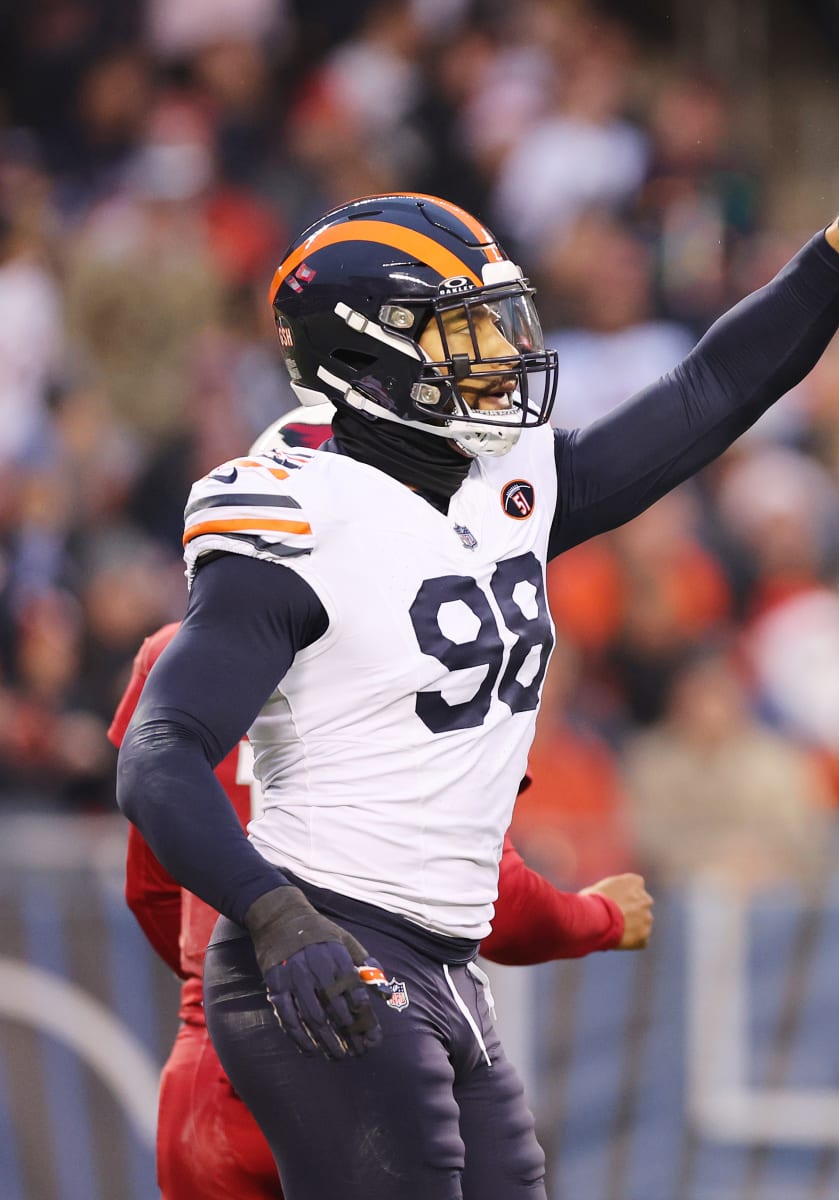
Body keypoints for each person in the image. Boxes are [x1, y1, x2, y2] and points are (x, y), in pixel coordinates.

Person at [115, 66, 839, 1199]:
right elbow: (159, 756)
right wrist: (276, 919)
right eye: (462, 336)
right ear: (370, 360)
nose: (503, 357)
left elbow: (717, 386)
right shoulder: (296, 517)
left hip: (436, 953)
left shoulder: (504, 480)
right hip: (329, 950)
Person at [113, 406, 651, 1200]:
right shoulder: (429, 640)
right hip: (360, 1033)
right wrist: (599, 919)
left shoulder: (180, 655)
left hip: (218, 1077)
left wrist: (232, 982)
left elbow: (153, 882)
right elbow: (485, 896)